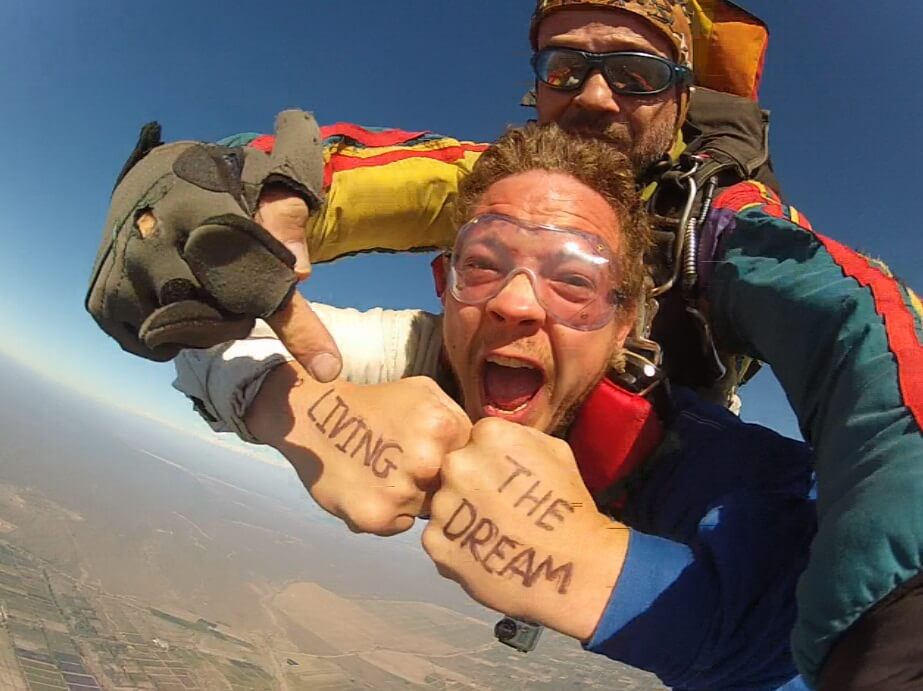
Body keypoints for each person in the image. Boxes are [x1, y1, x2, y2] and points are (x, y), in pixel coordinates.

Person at [86, 2, 923, 687]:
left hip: (639, 429)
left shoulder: (728, 230)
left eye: (635, 75)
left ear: (679, 97)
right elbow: (266, 222)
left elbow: (863, 335)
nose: (594, 97)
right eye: (565, 67)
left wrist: (895, 624)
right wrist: (280, 387)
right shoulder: (490, 183)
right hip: (480, 369)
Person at [189, 122, 814, 689]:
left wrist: (599, 573)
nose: (516, 304)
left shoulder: (689, 458)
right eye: (483, 265)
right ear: (445, 285)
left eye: (573, 280)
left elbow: (878, 633)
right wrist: (295, 406)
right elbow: (190, 328)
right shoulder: (422, 352)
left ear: (625, 321)